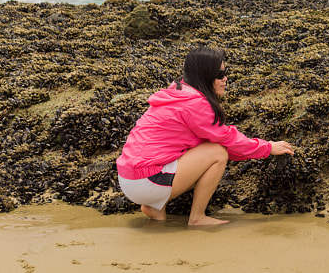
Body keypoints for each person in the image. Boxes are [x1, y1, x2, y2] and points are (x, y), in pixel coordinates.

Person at [115, 46, 295, 226]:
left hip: (127, 178)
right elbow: (228, 139)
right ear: (204, 75)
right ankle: (197, 218)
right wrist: (268, 148)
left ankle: (155, 208)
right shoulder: (195, 105)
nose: (225, 79)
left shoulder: (176, 93)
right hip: (147, 180)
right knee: (217, 153)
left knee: (196, 148)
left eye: (226, 72)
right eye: (219, 73)